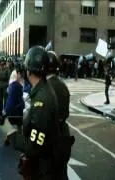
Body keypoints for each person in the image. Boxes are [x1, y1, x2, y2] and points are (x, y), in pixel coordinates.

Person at [0, 46, 61, 180]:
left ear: (29, 71)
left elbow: (34, 147)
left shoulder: (42, 100)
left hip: (43, 170)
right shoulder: (43, 89)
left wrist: (9, 130)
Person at [46, 51, 74, 180]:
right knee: (62, 174)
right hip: (64, 136)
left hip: (50, 139)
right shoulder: (63, 85)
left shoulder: (45, 88)